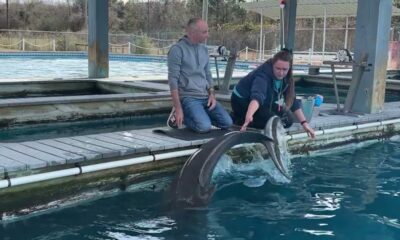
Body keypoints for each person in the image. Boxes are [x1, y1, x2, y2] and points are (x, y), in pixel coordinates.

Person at [231, 50, 315, 138]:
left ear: (289, 68)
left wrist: (304, 123)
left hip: (263, 102)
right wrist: (249, 114)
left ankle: (253, 117)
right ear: (272, 65)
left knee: (288, 121)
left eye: (284, 69)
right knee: (272, 123)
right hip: (243, 102)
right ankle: (238, 118)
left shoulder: (287, 78)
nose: (281, 73)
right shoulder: (263, 76)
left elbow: (292, 100)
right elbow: (257, 97)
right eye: (278, 68)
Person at [167, 18, 233, 133]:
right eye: (204, 32)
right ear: (192, 33)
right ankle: (181, 117)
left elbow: (207, 74)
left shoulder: (204, 50)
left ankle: (201, 116)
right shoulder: (177, 50)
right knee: (204, 127)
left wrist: (212, 95)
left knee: (227, 123)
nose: (208, 35)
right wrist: (178, 108)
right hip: (188, 97)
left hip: (205, 97)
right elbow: (173, 81)